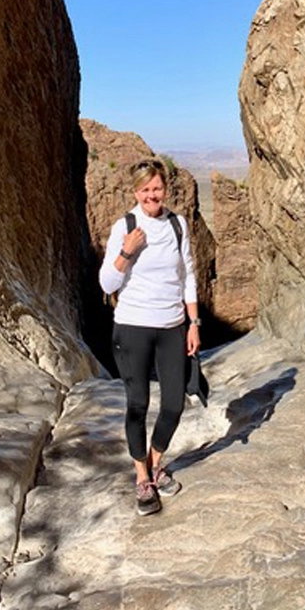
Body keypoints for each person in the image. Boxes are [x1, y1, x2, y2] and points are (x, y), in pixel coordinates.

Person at [99, 158, 201, 516]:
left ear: (165, 189)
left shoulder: (177, 225)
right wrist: (127, 251)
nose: (151, 195)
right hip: (132, 327)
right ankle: (142, 478)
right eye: (145, 190)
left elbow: (188, 273)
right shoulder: (124, 227)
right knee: (138, 403)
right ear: (135, 192)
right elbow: (107, 284)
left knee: (174, 403)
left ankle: (155, 464)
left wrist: (193, 323)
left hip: (172, 325)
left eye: (156, 188)